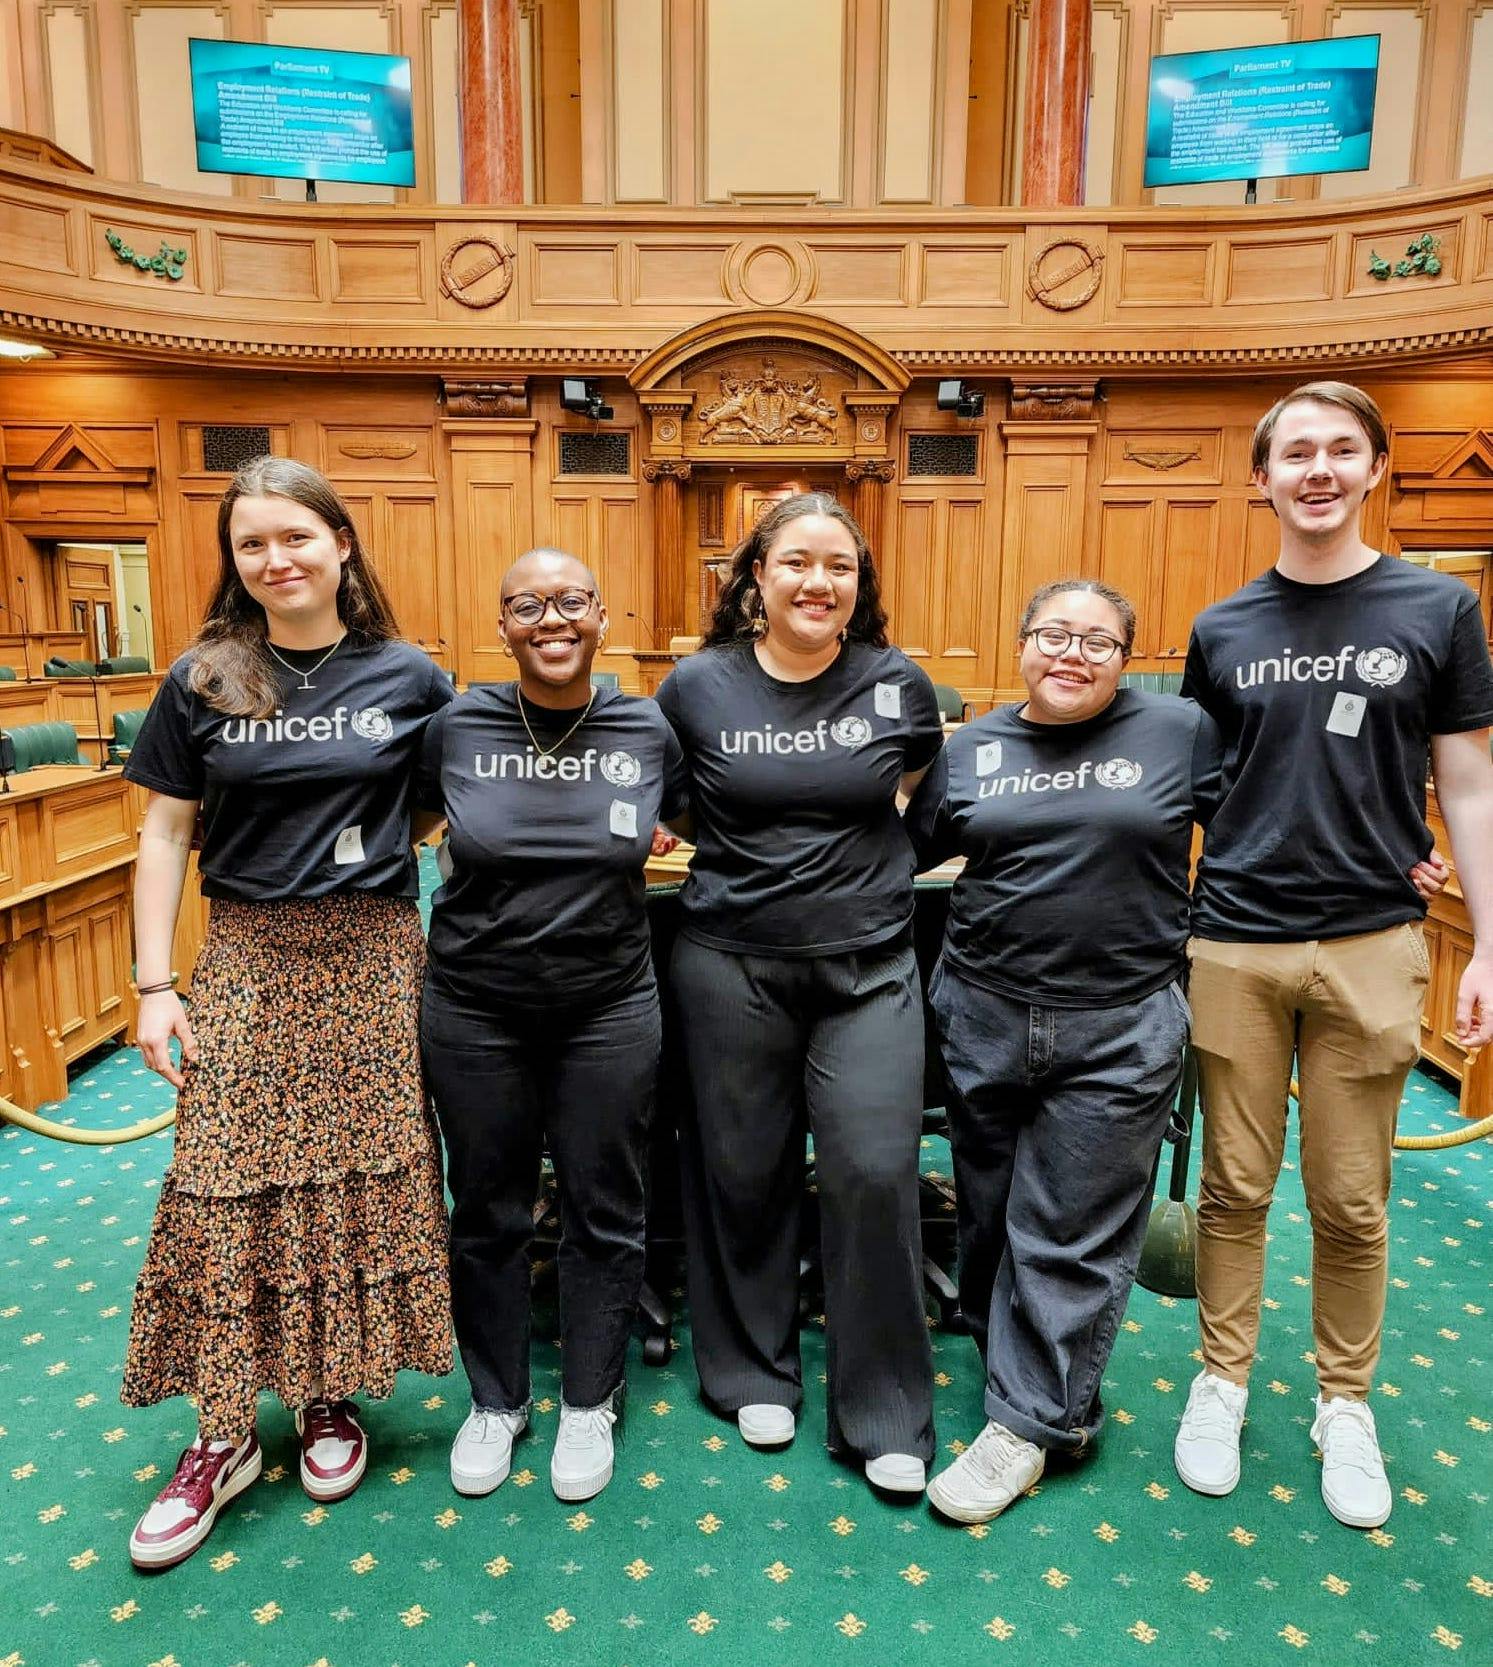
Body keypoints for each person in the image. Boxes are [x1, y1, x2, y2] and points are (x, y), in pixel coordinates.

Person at [121, 457, 454, 1570]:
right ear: (237, 560)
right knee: (222, 1176)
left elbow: (453, 810)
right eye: (253, 543)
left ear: (341, 543)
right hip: (249, 958)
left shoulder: (410, 676)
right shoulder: (205, 674)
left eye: (296, 537)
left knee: (354, 1178)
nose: (277, 559)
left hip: (368, 957)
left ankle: (322, 1396)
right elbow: (165, 831)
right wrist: (155, 985)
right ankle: (220, 1430)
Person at [1173, 381, 1493, 1530]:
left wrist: (1487, 941)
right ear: (1259, 477)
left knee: (1352, 1198)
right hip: (1235, 939)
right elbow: (1197, 786)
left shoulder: (1436, 607)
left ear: (1372, 469)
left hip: (1371, 937)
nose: (1315, 468)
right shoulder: (1221, 628)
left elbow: (1464, 779)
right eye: (1293, 451)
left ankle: (1340, 1399)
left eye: (1338, 449)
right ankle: (1220, 1377)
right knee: (1231, 1187)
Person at [907, 579, 1220, 1522]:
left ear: (1129, 658)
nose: (1071, 654)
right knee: (995, 1210)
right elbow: (902, 854)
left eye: (1097, 641)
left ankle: (1032, 1424)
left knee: (1069, 1230)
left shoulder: (1180, 735)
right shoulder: (974, 747)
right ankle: (1027, 1373)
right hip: (984, 1011)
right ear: (1020, 644)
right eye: (1053, 635)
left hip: (1117, 1021)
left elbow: (1263, 821)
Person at [654, 492, 943, 1495]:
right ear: (755, 577)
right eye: (796, 563)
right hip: (728, 959)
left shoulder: (895, 682)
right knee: (739, 1167)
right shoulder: (696, 686)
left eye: (840, 567)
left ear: (858, 586)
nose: (818, 582)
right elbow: (664, 803)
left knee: (871, 1168)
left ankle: (885, 1410)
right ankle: (749, 1370)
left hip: (866, 964)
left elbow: (925, 791)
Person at [416, 548, 687, 1504]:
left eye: (571, 599)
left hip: (606, 1003)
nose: (550, 618)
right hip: (474, 1002)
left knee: (603, 1205)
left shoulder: (646, 725)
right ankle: (496, 1398)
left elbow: (687, 819)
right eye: (527, 604)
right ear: (501, 625)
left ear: (602, 615)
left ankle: (587, 1397)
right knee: (485, 1205)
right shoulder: (454, 725)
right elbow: (404, 820)